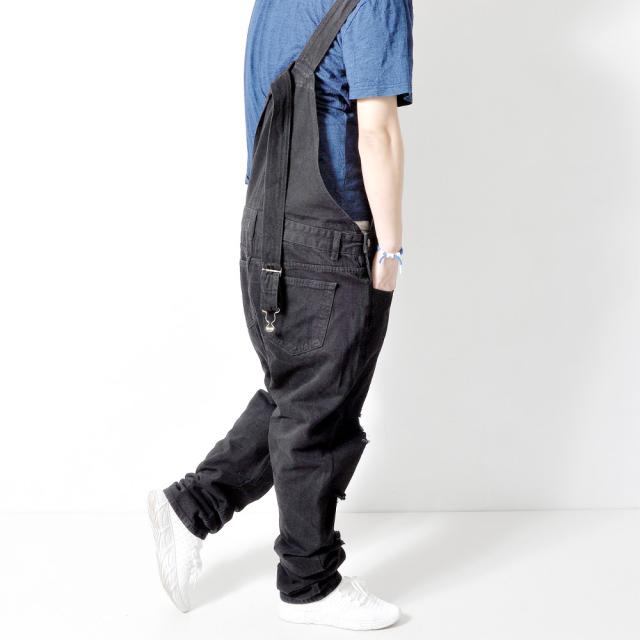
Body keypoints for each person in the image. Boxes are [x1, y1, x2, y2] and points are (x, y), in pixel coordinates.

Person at [148, 0, 413, 631]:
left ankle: (192, 508)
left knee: (299, 396)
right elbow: (377, 131)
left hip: (265, 226)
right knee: (317, 414)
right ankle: (309, 583)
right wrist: (391, 247)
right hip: (331, 233)